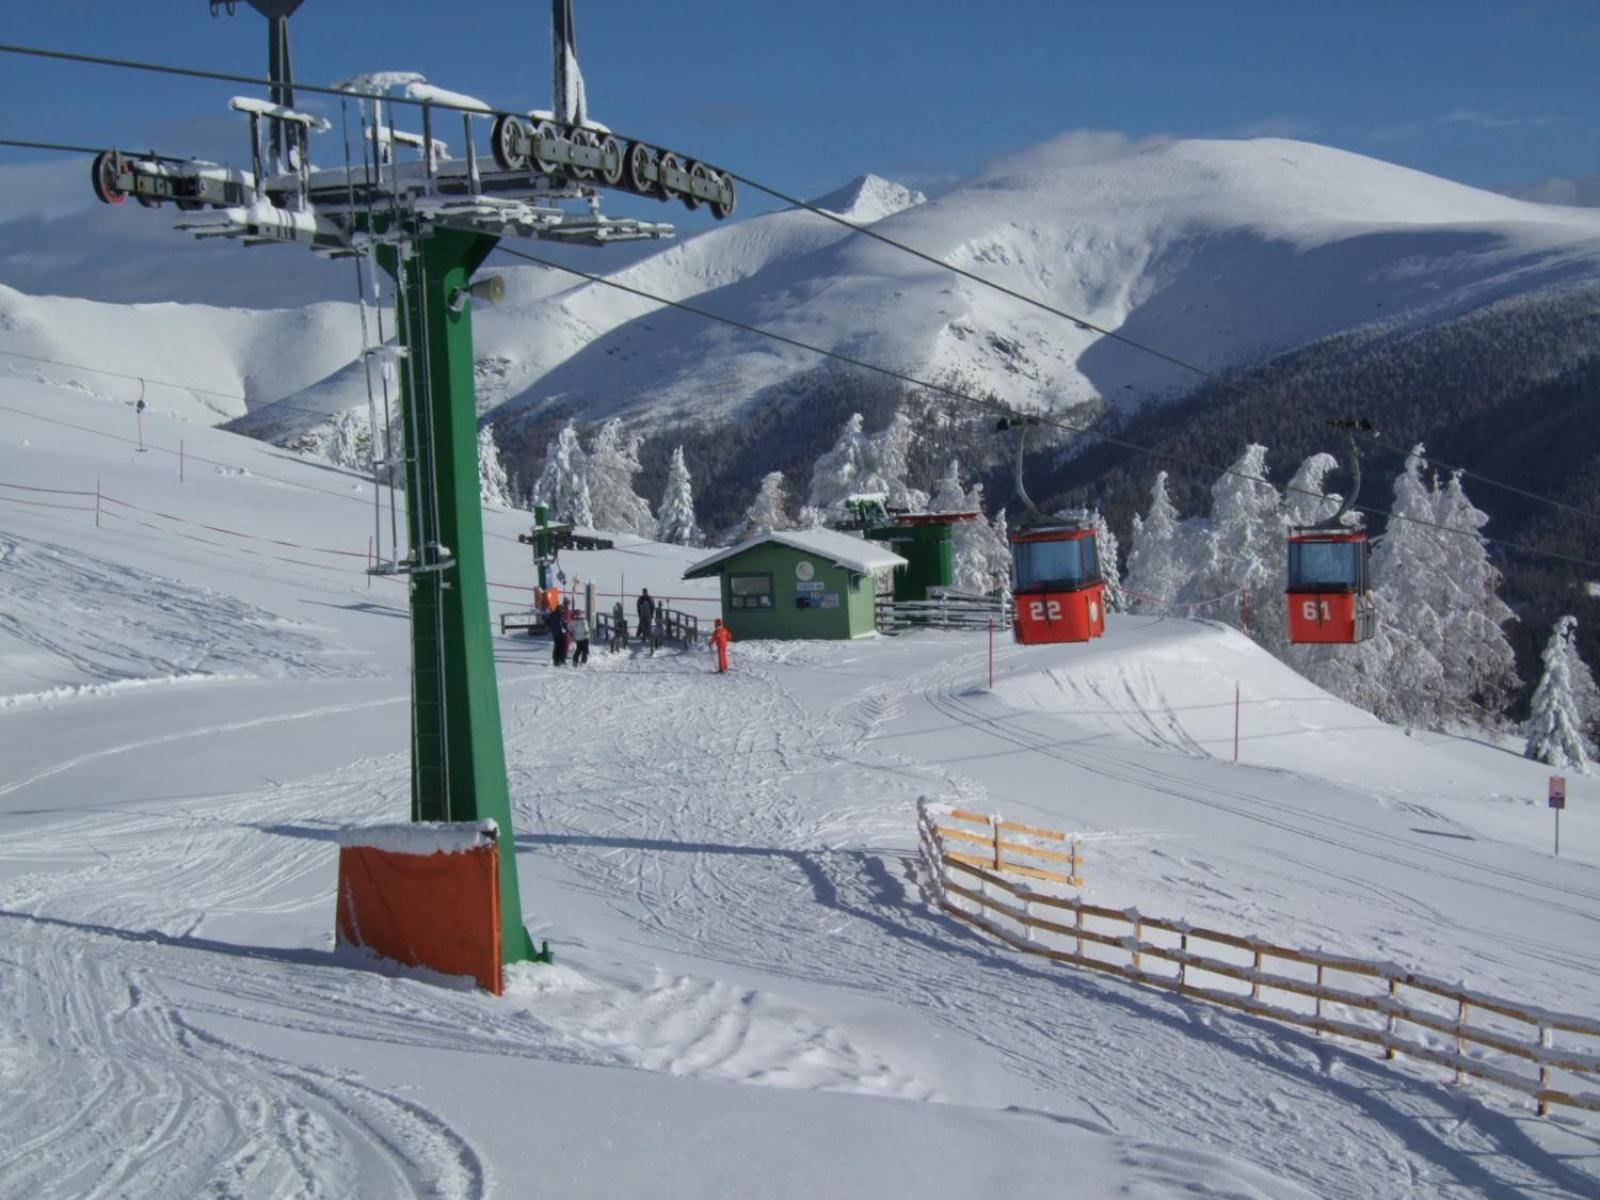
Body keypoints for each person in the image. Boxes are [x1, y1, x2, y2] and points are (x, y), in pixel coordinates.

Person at [543, 602, 568, 667]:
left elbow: (546, 621)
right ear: (560, 609)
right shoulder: (560, 616)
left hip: (555, 633)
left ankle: (556, 660)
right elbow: (564, 624)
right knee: (562, 647)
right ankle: (561, 660)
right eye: (562, 609)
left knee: (557, 647)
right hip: (561, 633)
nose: (563, 610)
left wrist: (551, 627)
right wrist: (567, 629)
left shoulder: (552, 615)